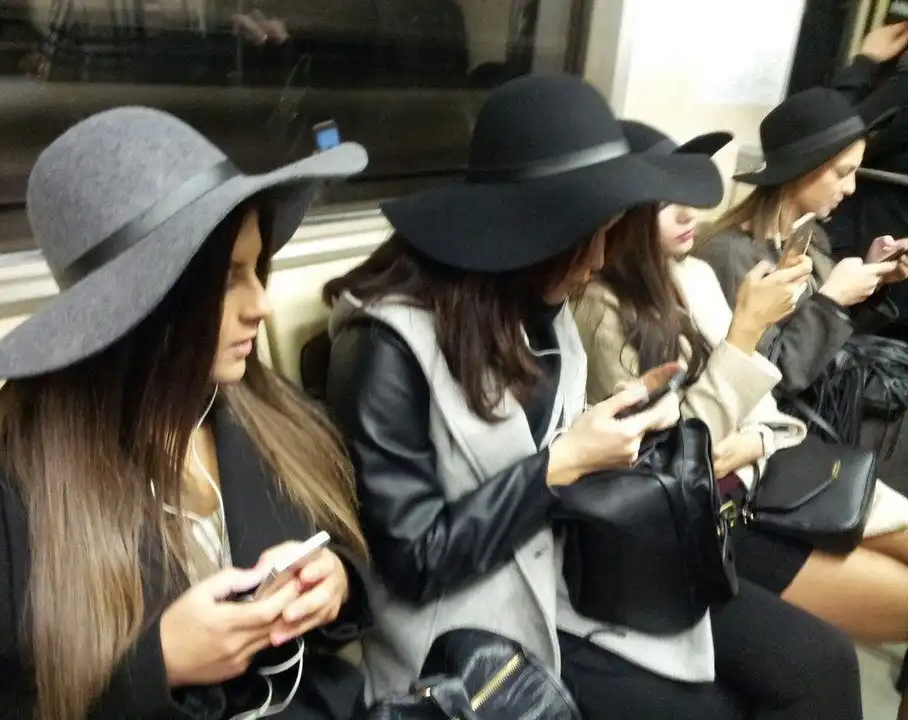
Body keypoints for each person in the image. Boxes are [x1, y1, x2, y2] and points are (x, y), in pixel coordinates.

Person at [324, 74, 862, 720]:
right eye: (592, 235)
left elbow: (546, 444)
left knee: (822, 661)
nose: (602, 257)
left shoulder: (534, 308)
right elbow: (413, 561)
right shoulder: (385, 344)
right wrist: (560, 465)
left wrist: (626, 429)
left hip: (575, 570)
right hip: (470, 618)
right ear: (533, 232)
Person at [0, 106, 372, 719]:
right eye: (229, 278)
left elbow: (346, 551)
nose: (261, 305)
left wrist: (335, 585)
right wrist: (157, 668)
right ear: (145, 303)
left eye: (257, 270)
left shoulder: (270, 414)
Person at [578, 118, 908, 718]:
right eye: (664, 202)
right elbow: (678, 455)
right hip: (721, 512)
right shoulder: (607, 308)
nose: (689, 213)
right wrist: (758, 327)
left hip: (771, 466)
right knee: (835, 654)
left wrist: (757, 435)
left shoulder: (695, 273)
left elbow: (765, 409)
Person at [695, 87, 908, 478]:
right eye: (842, 173)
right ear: (804, 169)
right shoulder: (731, 255)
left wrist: (870, 280)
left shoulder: (811, 238)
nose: (851, 188)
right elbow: (770, 378)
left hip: (821, 413)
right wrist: (832, 301)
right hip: (770, 432)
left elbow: (826, 345)